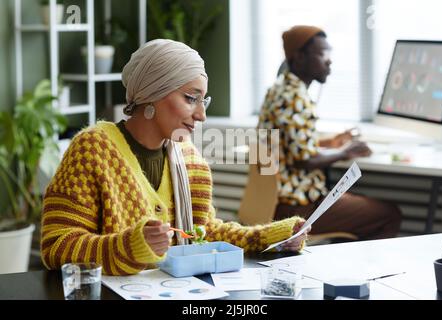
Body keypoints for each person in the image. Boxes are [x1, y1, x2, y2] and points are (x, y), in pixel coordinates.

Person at [40, 39, 309, 276]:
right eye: (191, 98)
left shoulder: (190, 160)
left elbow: (201, 234)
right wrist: (129, 246)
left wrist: (269, 238)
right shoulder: (91, 150)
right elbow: (57, 245)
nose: (201, 115)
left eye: (204, 101)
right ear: (152, 95)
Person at [257, 25, 402, 241]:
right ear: (299, 57)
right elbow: (305, 159)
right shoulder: (294, 97)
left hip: (276, 200)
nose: (329, 60)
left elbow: (293, 144)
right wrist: (345, 151)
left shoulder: (280, 89)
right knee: (389, 214)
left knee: (361, 208)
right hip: (298, 209)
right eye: (322, 54)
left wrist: (331, 142)